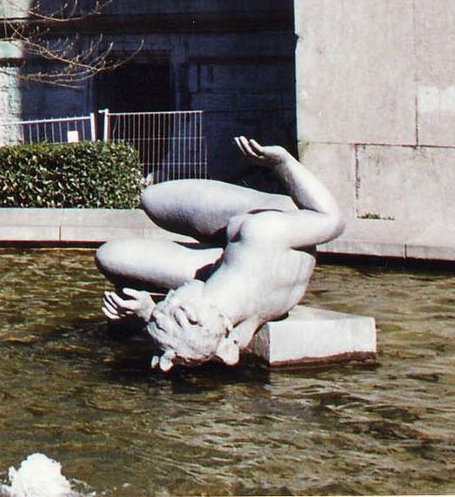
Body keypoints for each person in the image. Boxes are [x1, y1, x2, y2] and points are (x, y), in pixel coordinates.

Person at [96, 136, 345, 372]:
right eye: (171, 304)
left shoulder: (227, 321)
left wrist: (149, 312)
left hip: (224, 267)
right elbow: (331, 220)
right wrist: (283, 163)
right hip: (265, 226)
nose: (168, 297)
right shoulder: (261, 232)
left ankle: (214, 250)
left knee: (110, 256)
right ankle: (260, 208)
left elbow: (207, 343)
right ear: (191, 312)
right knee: (153, 198)